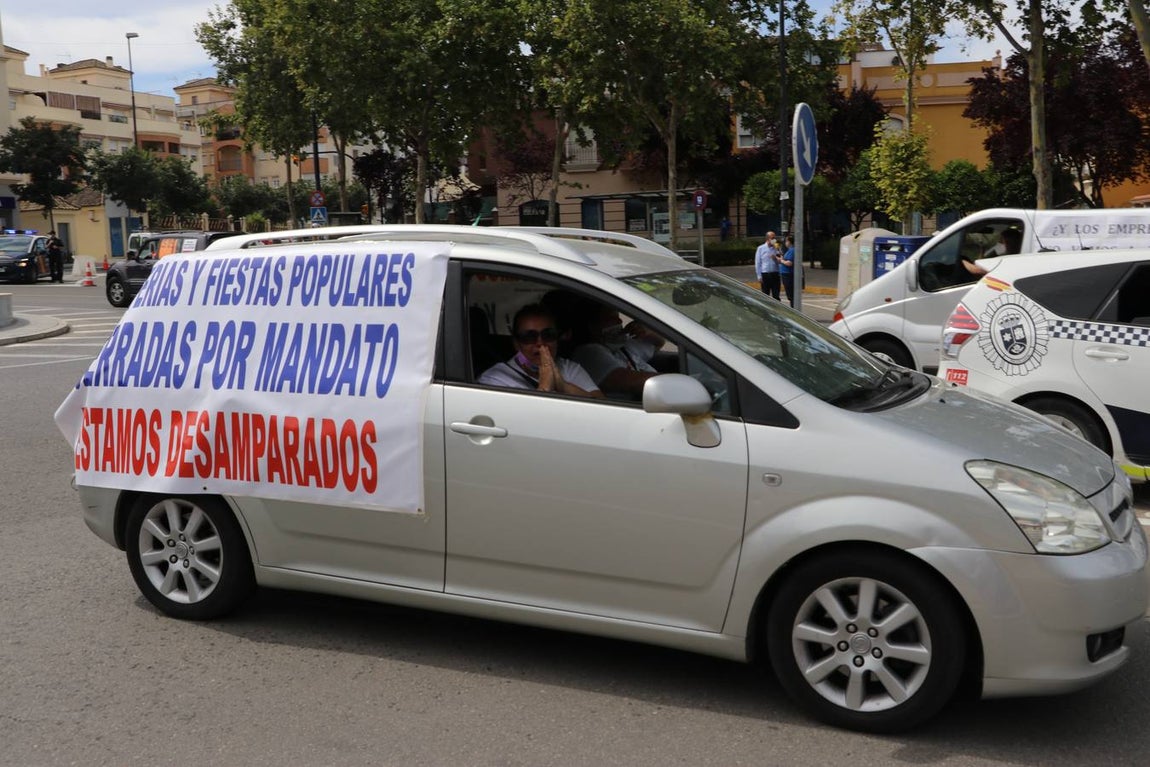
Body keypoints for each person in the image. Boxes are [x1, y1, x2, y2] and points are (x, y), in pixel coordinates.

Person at [479, 304, 603, 398]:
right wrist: (545, 387)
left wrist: (563, 386)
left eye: (548, 335)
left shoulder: (569, 368)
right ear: (517, 344)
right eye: (529, 336)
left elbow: (602, 405)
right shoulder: (495, 379)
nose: (540, 343)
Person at [572, 303, 666, 400]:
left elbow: (658, 343)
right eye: (611, 318)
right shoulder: (589, 353)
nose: (620, 321)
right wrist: (672, 382)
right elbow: (632, 383)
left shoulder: (621, 347)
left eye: (618, 316)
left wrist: (647, 332)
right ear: (592, 326)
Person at [754, 231, 781, 300]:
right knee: (765, 295)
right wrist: (759, 276)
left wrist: (776, 255)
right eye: (772, 238)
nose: (774, 240)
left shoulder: (777, 247)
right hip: (765, 274)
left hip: (775, 273)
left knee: (776, 295)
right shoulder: (761, 248)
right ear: (767, 239)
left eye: (774, 238)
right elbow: (758, 263)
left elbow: (781, 260)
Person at [779, 234, 796, 307]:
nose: (785, 243)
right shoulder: (789, 250)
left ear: (789, 242)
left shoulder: (792, 250)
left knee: (791, 294)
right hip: (785, 274)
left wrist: (781, 261)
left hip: (788, 274)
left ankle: (794, 307)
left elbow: (789, 263)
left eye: (786, 241)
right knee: (789, 294)